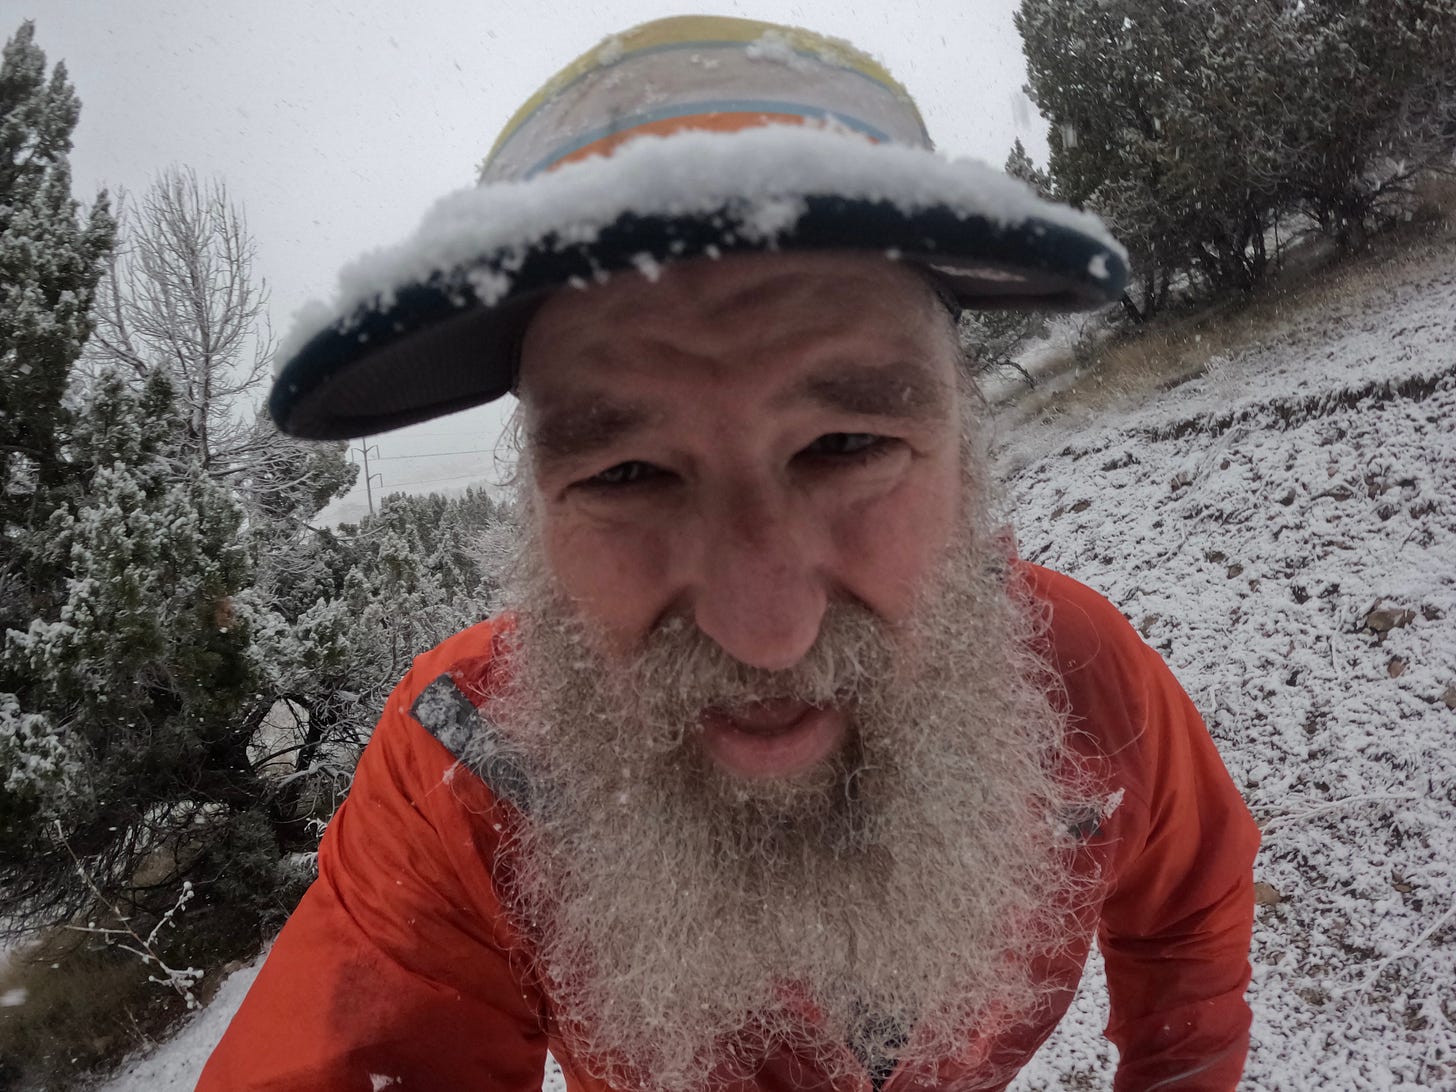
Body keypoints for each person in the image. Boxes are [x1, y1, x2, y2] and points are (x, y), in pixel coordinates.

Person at [203, 15, 1258, 1092]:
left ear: (967, 457)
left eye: (847, 446)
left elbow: (1190, 919)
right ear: (533, 513)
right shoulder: (468, 761)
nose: (767, 632)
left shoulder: (1074, 674)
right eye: (626, 473)